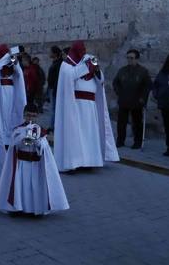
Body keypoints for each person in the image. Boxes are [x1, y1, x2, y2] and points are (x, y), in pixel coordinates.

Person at [53, 41, 119, 172]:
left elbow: (100, 81)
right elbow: (70, 76)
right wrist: (86, 66)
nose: (82, 52)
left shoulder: (86, 61)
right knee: (76, 135)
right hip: (75, 107)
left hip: (90, 107)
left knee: (90, 135)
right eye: (79, 50)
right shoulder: (66, 66)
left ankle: (89, 162)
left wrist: (96, 69)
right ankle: (74, 163)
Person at [0, 106, 68, 216]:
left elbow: (45, 149)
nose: (30, 118)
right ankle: (18, 208)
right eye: (28, 115)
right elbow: (13, 144)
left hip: (35, 165)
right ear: (24, 115)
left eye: (33, 116)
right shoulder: (18, 129)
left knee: (34, 188)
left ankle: (34, 210)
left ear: (37, 117)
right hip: (21, 165)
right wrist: (23, 136)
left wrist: (38, 143)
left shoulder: (40, 131)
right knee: (21, 187)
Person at [112, 49, 151, 150]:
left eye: (132, 58)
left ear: (137, 59)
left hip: (137, 101)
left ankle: (137, 142)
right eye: (128, 58)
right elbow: (116, 82)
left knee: (137, 123)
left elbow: (147, 86)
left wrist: (143, 98)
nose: (129, 60)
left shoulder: (143, 71)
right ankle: (120, 140)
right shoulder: (122, 70)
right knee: (121, 123)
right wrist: (119, 92)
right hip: (124, 100)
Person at [0, 44, 27, 147]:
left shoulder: (12, 62)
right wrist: (5, 60)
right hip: (0, 91)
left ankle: (9, 135)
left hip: (11, 91)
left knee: (10, 112)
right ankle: (2, 136)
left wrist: (15, 63)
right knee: (2, 113)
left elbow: (19, 75)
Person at [46, 46, 64, 127]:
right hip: (52, 88)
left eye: (51, 52)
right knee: (52, 109)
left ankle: (53, 127)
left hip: (55, 89)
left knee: (55, 110)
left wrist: (54, 90)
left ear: (55, 53)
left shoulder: (59, 64)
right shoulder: (55, 63)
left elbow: (57, 79)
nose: (49, 53)